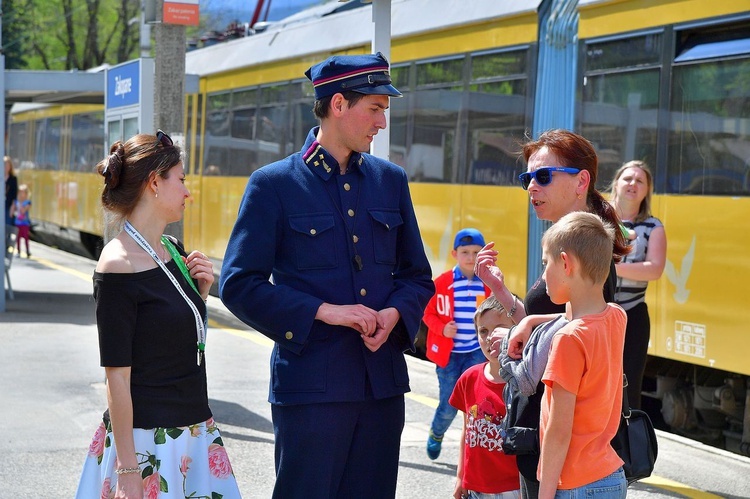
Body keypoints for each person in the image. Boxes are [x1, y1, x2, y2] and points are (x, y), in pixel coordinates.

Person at [219, 52, 435, 499]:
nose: (381, 122)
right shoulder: (273, 184)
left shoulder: (390, 180)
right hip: (310, 392)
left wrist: (396, 313)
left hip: (382, 390)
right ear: (338, 104)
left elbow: (417, 276)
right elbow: (238, 284)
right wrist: (325, 312)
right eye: (374, 109)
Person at [75, 131, 241, 499]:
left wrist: (200, 294)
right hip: (149, 443)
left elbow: (179, 342)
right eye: (181, 180)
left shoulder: (171, 249)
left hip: (194, 431)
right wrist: (129, 470)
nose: (187, 192)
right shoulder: (117, 265)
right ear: (154, 182)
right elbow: (117, 376)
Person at [474, 129, 628, 499]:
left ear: (581, 181)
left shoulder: (586, 255)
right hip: (555, 445)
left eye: (543, 176)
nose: (531, 187)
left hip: (564, 456)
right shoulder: (568, 246)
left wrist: (526, 323)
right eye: (527, 178)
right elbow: (560, 325)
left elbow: (582, 327)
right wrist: (504, 297)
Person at [537, 211, 627, 498]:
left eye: (545, 264)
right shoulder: (616, 317)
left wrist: (545, 493)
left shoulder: (569, 340)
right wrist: (529, 322)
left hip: (575, 484)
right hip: (610, 476)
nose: (542, 275)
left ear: (565, 263)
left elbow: (559, 430)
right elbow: (578, 313)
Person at [423, 227, 492, 460]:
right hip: (450, 355)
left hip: (475, 352)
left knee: (476, 405)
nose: (471, 258)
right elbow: (427, 312)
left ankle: (473, 450)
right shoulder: (442, 283)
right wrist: (442, 329)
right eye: (465, 252)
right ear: (454, 254)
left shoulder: (487, 283)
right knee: (449, 405)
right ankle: (437, 432)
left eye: (476, 252)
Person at [449, 296, 520, 499]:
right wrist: (460, 476)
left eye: (498, 329)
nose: (489, 338)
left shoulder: (525, 382)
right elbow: (466, 431)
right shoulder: (469, 378)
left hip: (513, 489)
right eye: (483, 331)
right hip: (475, 488)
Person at [609, 160, 666, 409]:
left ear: (646, 191)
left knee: (629, 386)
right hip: (599, 312)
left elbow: (654, 269)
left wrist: (612, 268)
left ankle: (629, 446)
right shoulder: (598, 219)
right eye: (628, 178)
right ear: (616, 184)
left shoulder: (654, 227)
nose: (633, 184)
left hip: (634, 315)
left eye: (639, 181)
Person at [11, 184, 32, 257]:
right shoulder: (16, 201)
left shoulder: (27, 202)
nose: (21, 194)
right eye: (20, 192)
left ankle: (27, 251)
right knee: (18, 238)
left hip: (25, 223)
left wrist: (19, 204)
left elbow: (23, 211)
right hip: (17, 222)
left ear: (26, 193)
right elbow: (11, 212)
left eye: (23, 192)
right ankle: (18, 250)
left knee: (26, 237)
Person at [4, 156, 18, 226]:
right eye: (4, 165)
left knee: (7, 225)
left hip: (8, 206)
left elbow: (14, 194)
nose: (5, 167)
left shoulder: (13, 179)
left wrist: (13, 207)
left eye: (7, 165)